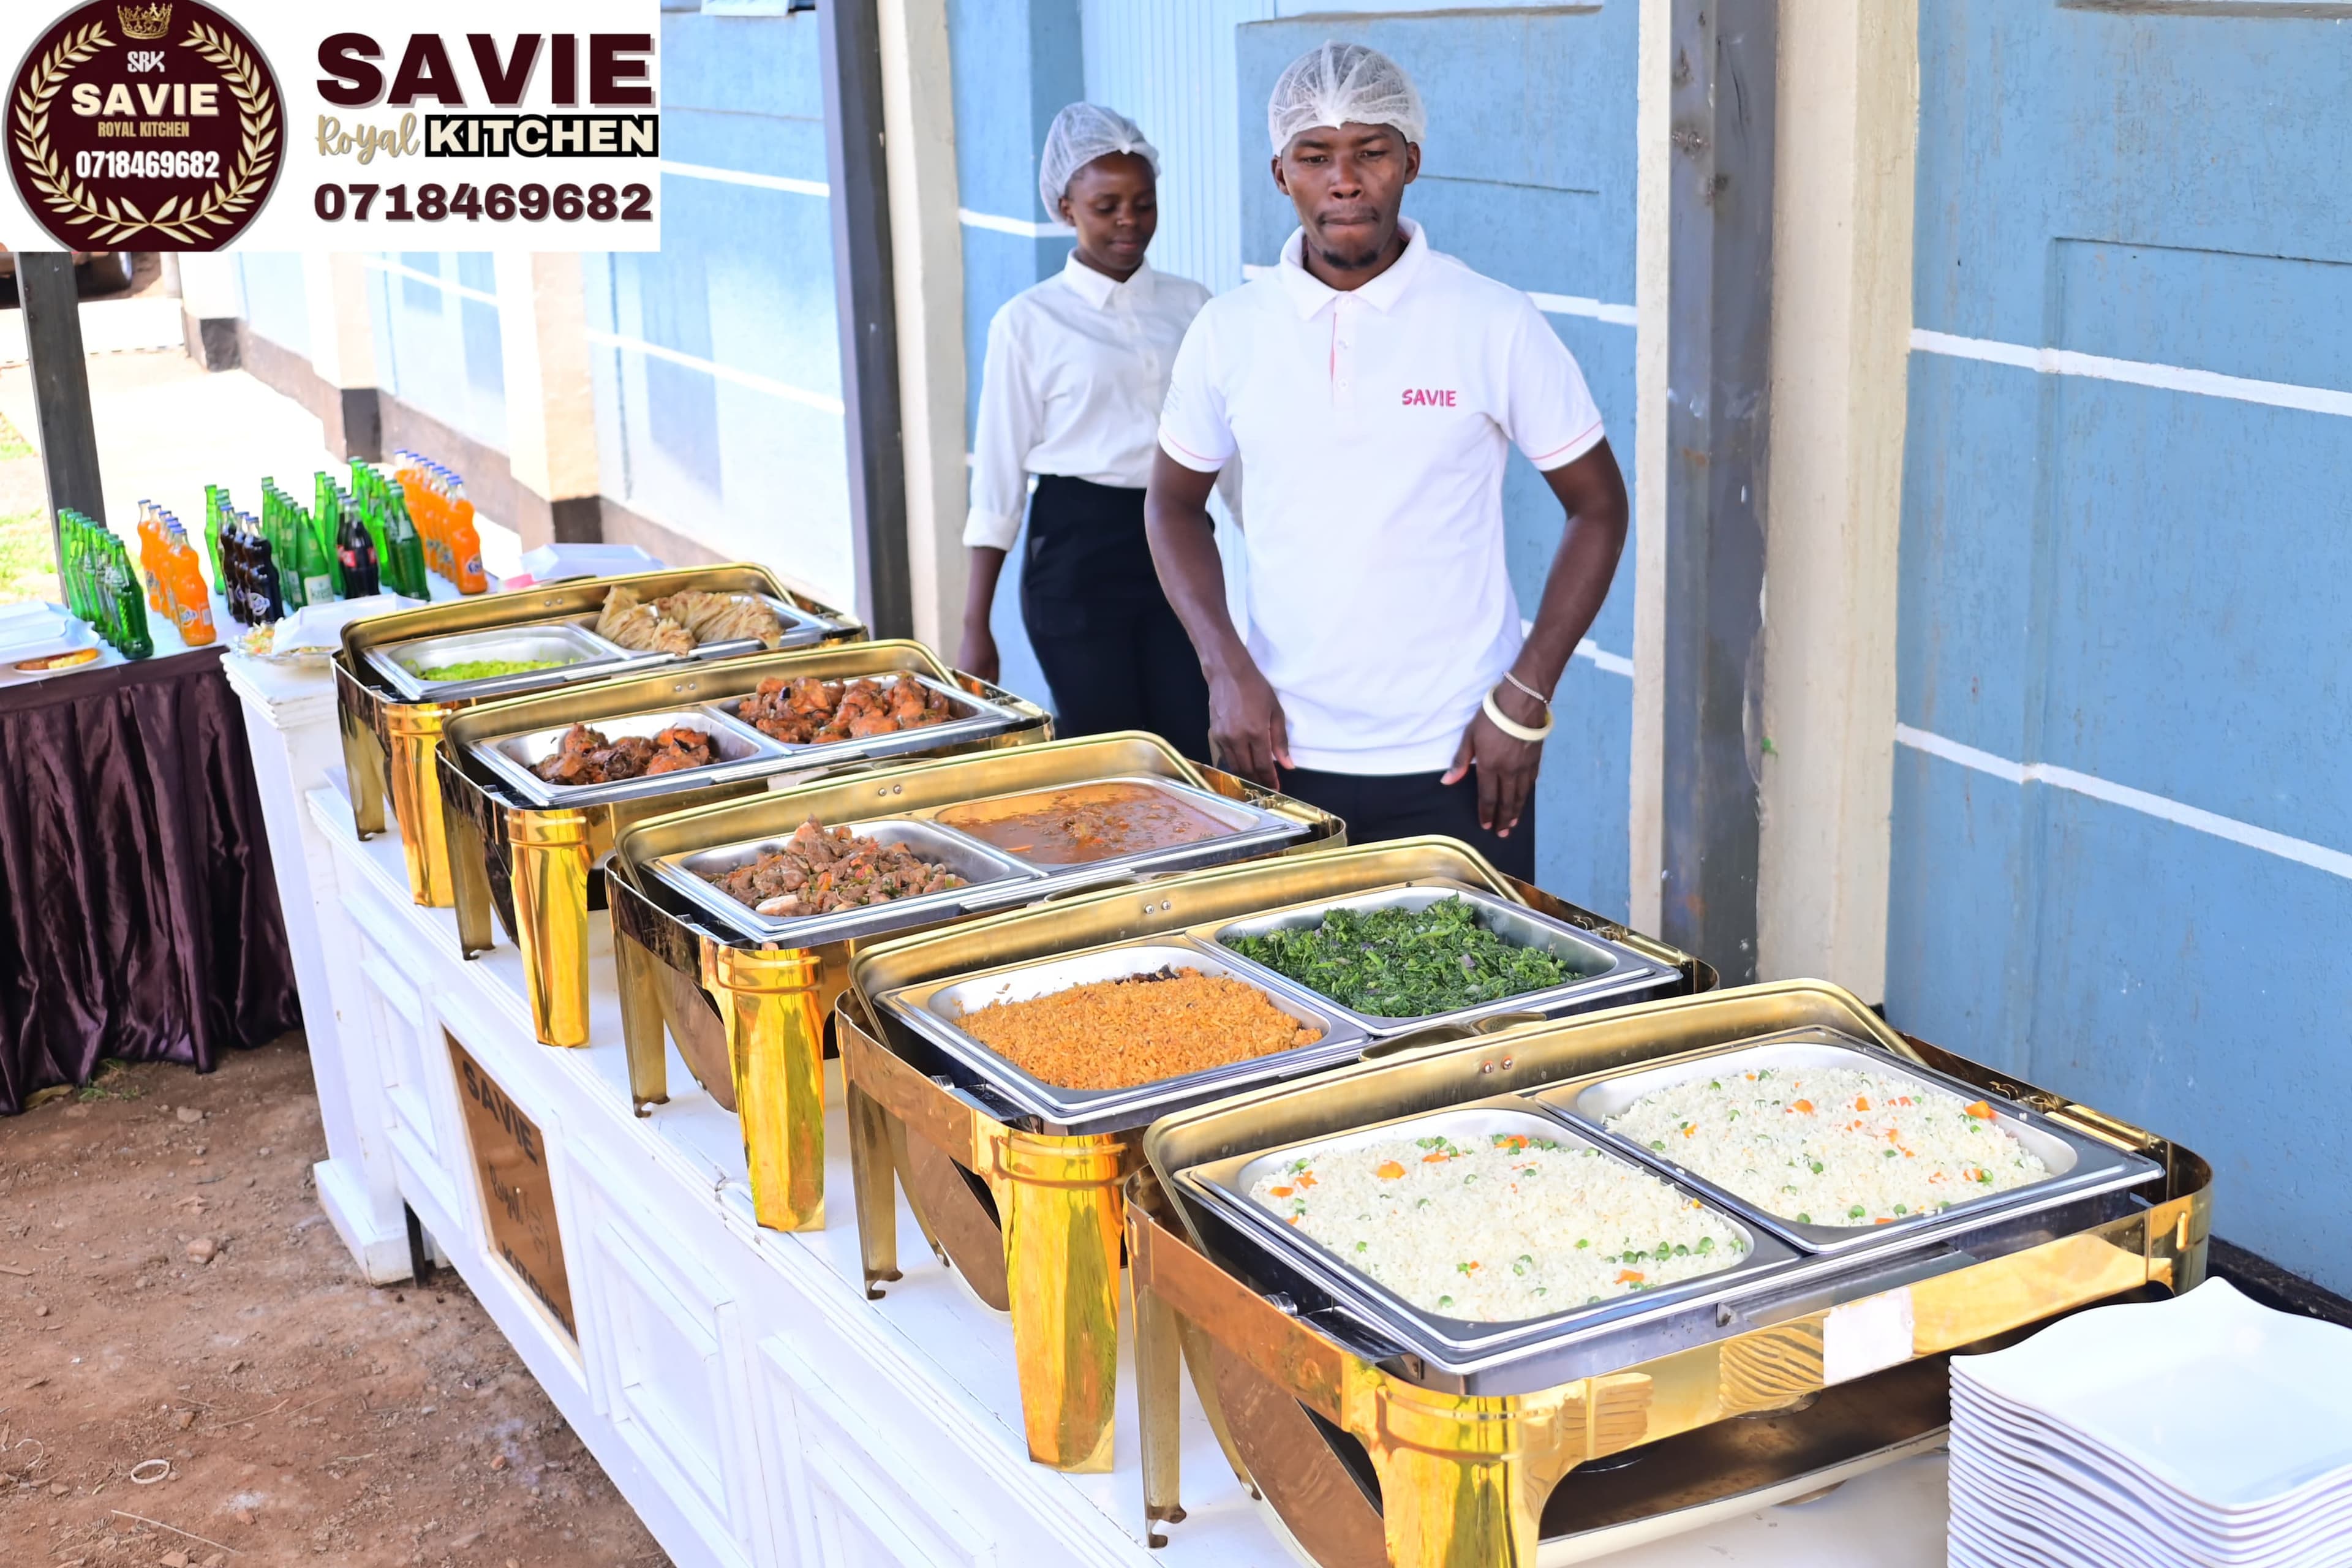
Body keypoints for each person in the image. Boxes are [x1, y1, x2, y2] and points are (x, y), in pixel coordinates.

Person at [1146, 42, 1629, 881]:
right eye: (1316, 156)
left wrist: (1526, 696)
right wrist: (1225, 671)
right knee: (1289, 1008)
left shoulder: (1492, 321)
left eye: (1370, 151)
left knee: (1481, 1007)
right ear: (1280, 174)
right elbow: (1172, 505)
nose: (1345, 179)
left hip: (1462, 759)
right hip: (1282, 754)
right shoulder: (1230, 332)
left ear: (1411, 160)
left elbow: (1598, 507)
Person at [958, 103, 1218, 762]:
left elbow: (1227, 446)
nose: (1129, 221)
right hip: (1076, 550)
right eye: (1107, 206)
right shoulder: (1029, 322)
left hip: (1180, 538)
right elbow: (997, 480)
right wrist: (974, 626)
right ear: (1066, 206)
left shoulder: (1193, 307)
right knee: (1111, 751)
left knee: (1193, 741)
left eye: (1143, 203)